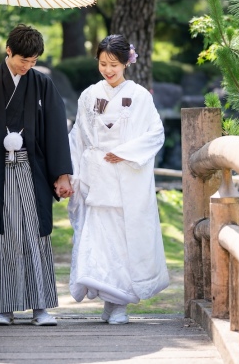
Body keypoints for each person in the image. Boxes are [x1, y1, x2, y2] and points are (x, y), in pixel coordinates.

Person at [0, 24, 74, 327]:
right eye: (23, 60)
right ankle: (3, 308)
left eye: (33, 61)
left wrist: (61, 174)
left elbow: (57, 128)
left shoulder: (42, 84)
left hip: (33, 171)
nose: (28, 66)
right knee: (1, 237)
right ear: (8, 51)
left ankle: (40, 307)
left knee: (34, 235)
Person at [66, 35, 169, 324]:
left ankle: (119, 303)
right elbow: (78, 137)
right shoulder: (88, 95)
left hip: (127, 179)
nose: (108, 70)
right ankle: (111, 301)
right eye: (102, 63)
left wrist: (124, 152)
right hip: (96, 177)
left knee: (123, 241)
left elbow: (155, 134)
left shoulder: (139, 96)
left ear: (126, 62)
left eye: (113, 64)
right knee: (99, 240)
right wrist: (71, 174)